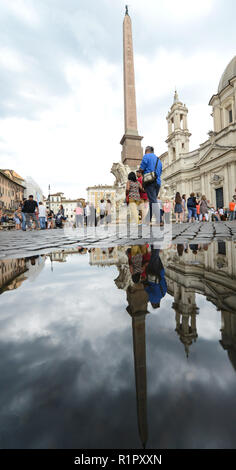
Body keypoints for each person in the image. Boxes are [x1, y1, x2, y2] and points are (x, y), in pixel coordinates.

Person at [139, 145, 162, 225]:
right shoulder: (158, 160)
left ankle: (160, 220)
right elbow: (160, 172)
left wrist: (141, 172)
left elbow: (141, 168)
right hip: (158, 182)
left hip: (150, 182)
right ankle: (147, 221)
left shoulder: (146, 156)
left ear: (146, 150)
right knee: (152, 201)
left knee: (153, 201)